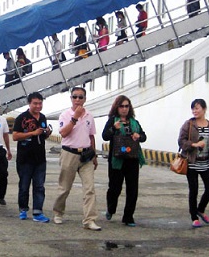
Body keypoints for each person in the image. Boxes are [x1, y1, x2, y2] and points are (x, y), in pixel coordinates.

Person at [53, 87, 101, 231]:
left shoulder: (89, 116)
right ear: (71, 98)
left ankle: (89, 219)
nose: (78, 100)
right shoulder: (65, 115)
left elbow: (91, 136)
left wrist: (94, 155)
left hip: (86, 155)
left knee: (89, 188)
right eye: (75, 97)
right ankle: (58, 212)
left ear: (85, 99)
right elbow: (64, 133)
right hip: (69, 154)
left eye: (81, 97)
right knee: (65, 188)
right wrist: (75, 118)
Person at [102, 95, 146, 227]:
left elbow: (144, 136)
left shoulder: (134, 122)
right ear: (117, 107)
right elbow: (105, 136)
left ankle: (128, 216)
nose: (124, 109)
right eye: (122, 106)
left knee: (132, 189)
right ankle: (111, 208)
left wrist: (139, 136)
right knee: (114, 188)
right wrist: (114, 128)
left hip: (132, 159)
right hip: (117, 159)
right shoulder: (112, 121)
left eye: (127, 106)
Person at [177, 99, 209, 228]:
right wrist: (194, 144)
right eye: (193, 109)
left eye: (197, 108)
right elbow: (181, 141)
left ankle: (200, 209)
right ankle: (194, 217)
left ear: (204, 109)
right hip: (192, 162)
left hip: (207, 162)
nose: (195, 111)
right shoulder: (189, 124)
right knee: (194, 190)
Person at [13, 92, 52, 222]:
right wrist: (32, 133)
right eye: (35, 103)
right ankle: (23, 209)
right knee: (24, 185)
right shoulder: (21, 118)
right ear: (29, 103)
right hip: (25, 158)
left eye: (40, 103)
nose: (38, 106)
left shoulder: (43, 117)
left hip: (40, 158)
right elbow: (15, 136)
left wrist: (46, 133)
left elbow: (41, 136)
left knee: (39, 186)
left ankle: (37, 212)